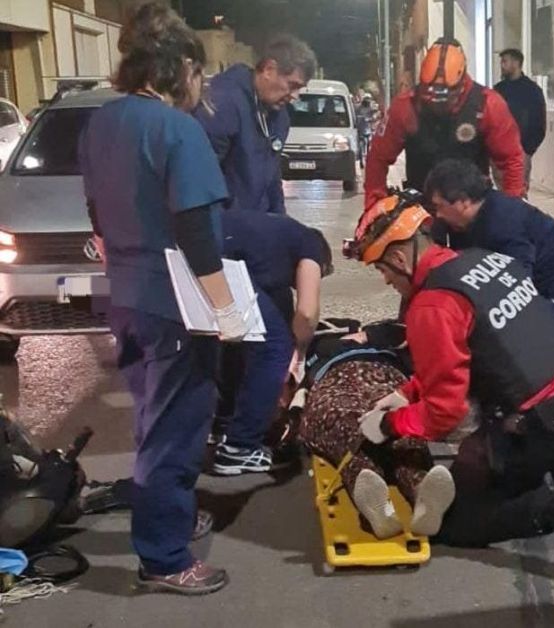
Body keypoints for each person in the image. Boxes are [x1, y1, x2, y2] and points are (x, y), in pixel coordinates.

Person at [351, 194, 554, 578]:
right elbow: (469, 352)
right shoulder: (481, 260)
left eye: (382, 269)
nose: (386, 279)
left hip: (546, 422)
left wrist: (390, 425)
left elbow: (444, 413)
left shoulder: (431, 306)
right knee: (474, 461)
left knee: (448, 521)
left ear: (400, 258)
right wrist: (406, 393)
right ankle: (548, 469)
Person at [79, 3, 246, 595]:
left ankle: (167, 519)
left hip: (123, 296)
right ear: (179, 65)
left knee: (153, 415)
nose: (199, 87)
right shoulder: (178, 129)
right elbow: (197, 233)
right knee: (176, 429)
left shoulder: (101, 122)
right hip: (174, 302)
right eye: (198, 74)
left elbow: (96, 212)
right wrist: (227, 309)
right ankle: (165, 557)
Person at [423, 158, 554, 419]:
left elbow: (516, 287)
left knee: (501, 332)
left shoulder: (502, 223)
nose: (437, 215)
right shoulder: (469, 220)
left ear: (462, 201)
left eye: (439, 207)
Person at [295, 319, 455, 539]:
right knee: (375, 432)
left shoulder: (382, 334)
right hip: (366, 378)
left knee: (350, 430)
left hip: (366, 378)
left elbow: (411, 335)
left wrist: (368, 335)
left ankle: (393, 499)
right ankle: (417, 487)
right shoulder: (313, 345)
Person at [211, 211, 333, 475]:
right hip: (218, 260)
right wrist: (298, 357)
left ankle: (223, 423)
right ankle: (239, 447)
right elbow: (307, 312)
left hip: (198, 250)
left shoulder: (274, 244)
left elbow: (284, 314)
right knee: (274, 348)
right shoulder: (309, 244)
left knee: (237, 341)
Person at [363, 37, 524, 211]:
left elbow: (511, 160)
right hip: (422, 209)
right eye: (430, 92)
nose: (438, 102)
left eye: (447, 95)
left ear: (462, 81)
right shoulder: (404, 107)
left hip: (472, 211)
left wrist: (511, 210)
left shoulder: (488, 105)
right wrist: (374, 205)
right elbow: (377, 158)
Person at [194, 34, 317, 214]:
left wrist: (279, 223)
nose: (295, 96)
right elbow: (201, 181)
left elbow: (273, 181)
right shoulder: (222, 104)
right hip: (227, 226)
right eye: (292, 85)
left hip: (255, 223)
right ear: (269, 69)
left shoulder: (279, 116)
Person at [494, 48, 546, 195]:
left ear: (516, 63)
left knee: (518, 195)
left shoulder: (532, 90)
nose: (502, 66)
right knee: (501, 195)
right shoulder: (498, 90)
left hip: (520, 151)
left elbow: (539, 123)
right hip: (499, 153)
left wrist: (528, 150)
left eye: (505, 61)